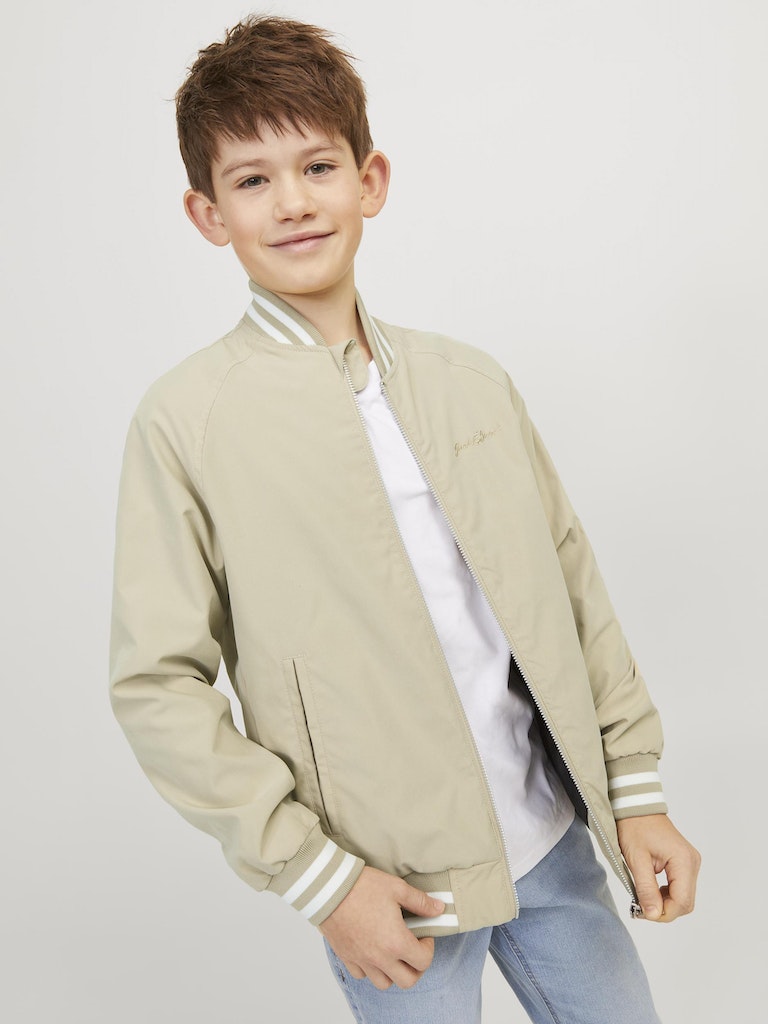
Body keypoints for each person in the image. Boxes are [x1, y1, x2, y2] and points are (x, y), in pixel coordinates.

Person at [109, 14, 700, 1023]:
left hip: (553, 838)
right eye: (252, 180)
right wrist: (320, 879)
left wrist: (633, 790)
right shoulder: (188, 421)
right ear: (208, 213)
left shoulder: (468, 381)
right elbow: (157, 684)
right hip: (389, 888)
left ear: (369, 180)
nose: (293, 202)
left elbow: (571, 589)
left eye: (317, 166)